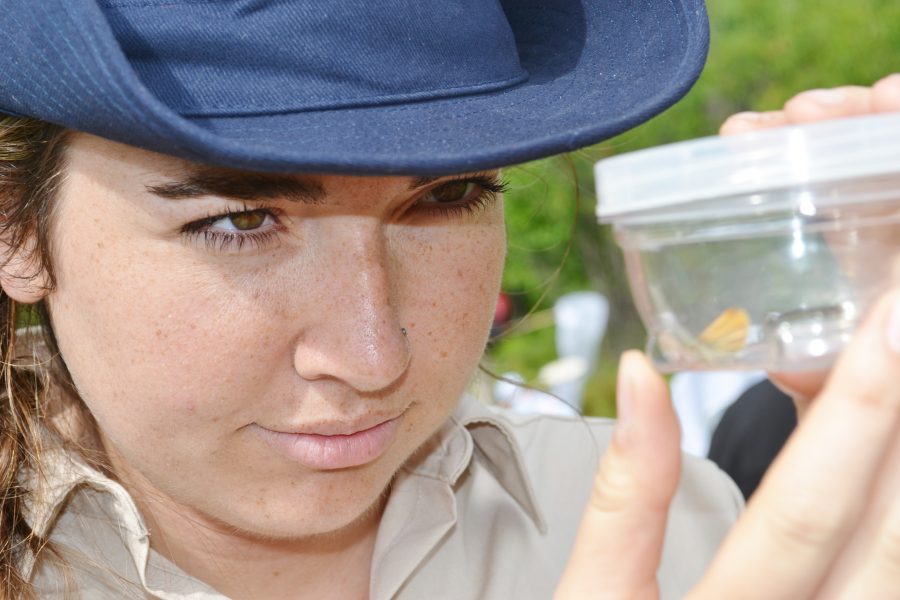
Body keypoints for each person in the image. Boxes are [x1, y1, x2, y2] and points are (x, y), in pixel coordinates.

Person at [0, 2, 898, 599]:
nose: (374, 355)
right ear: (18, 232)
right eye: (240, 219)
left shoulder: (660, 516)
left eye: (447, 196)